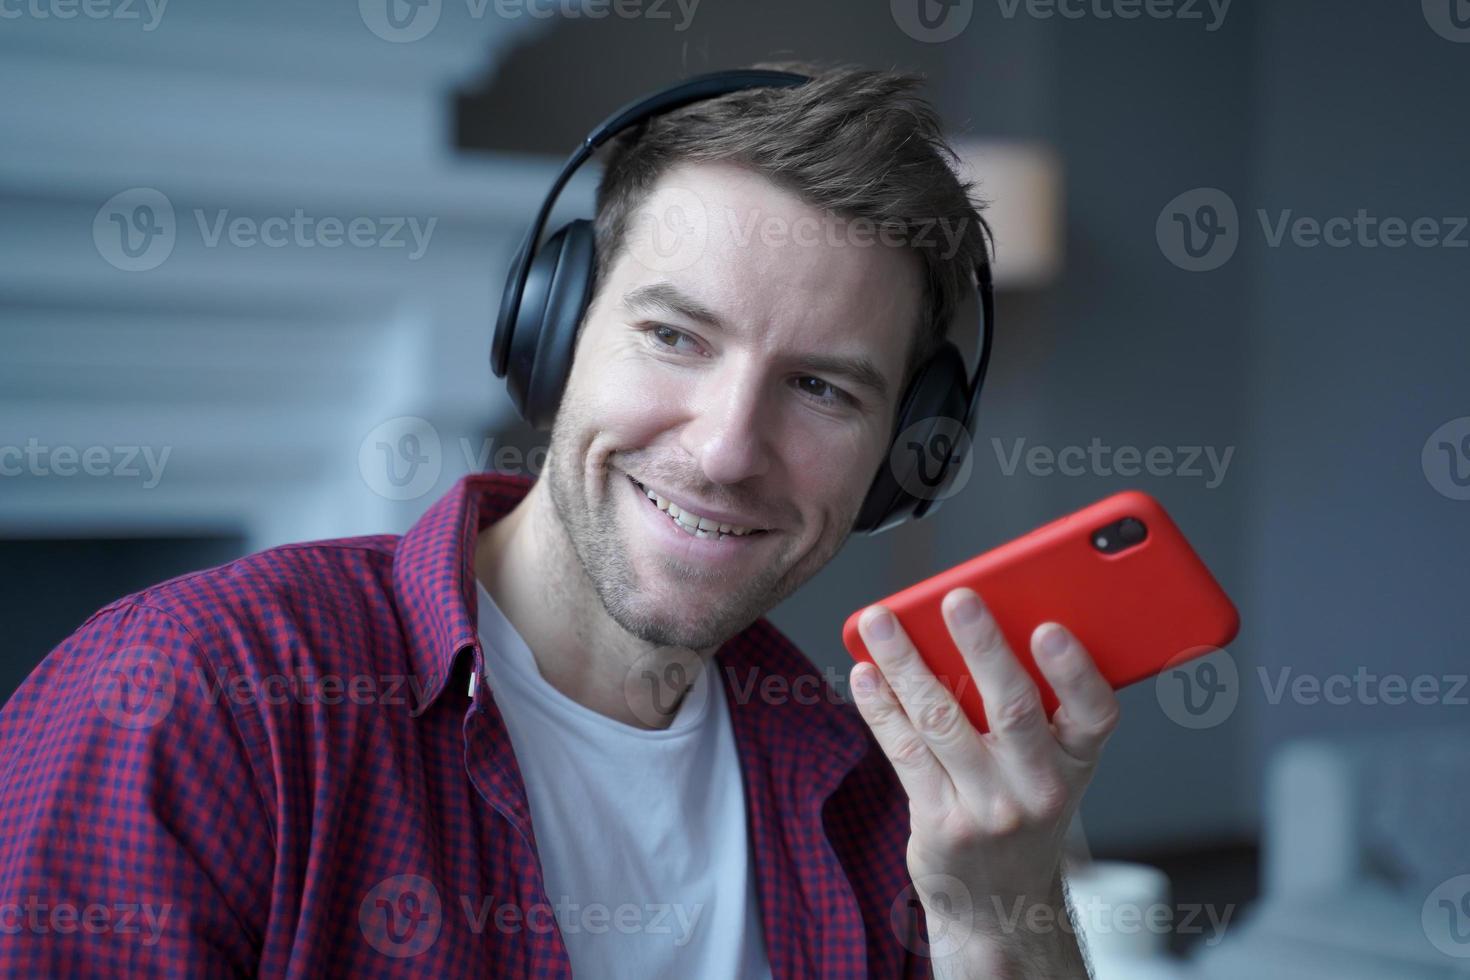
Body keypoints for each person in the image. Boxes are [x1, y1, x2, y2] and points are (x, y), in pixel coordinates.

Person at [0, 62, 1118, 978]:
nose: (727, 449)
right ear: (552, 330)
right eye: (675, 336)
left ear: (903, 458)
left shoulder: (877, 801)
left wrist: (1001, 914)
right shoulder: (190, 697)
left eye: (823, 388)